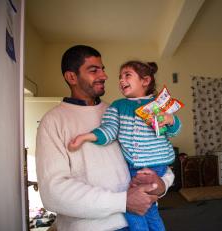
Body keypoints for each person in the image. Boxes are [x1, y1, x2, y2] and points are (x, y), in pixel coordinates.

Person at [35, 45, 174, 231]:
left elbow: (154, 154)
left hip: (142, 217)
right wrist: (122, 202)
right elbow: (53, 193)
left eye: (103, 69)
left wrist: (162, 184)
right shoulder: (53, 121)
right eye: (94, 70)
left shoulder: (120, 111)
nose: (104, 76)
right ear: (71, 77)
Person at [68, 60, 182, 231]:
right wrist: (86, 137)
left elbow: (174, 131)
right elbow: (109, 130)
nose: (121, 80)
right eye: (120, 77)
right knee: (147, 209)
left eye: (127, 75)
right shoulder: (118, 106)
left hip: (156, 165)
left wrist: (170, 119)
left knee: (133, 209)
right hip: (132, 167)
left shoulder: (158, 105)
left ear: (145, 80)